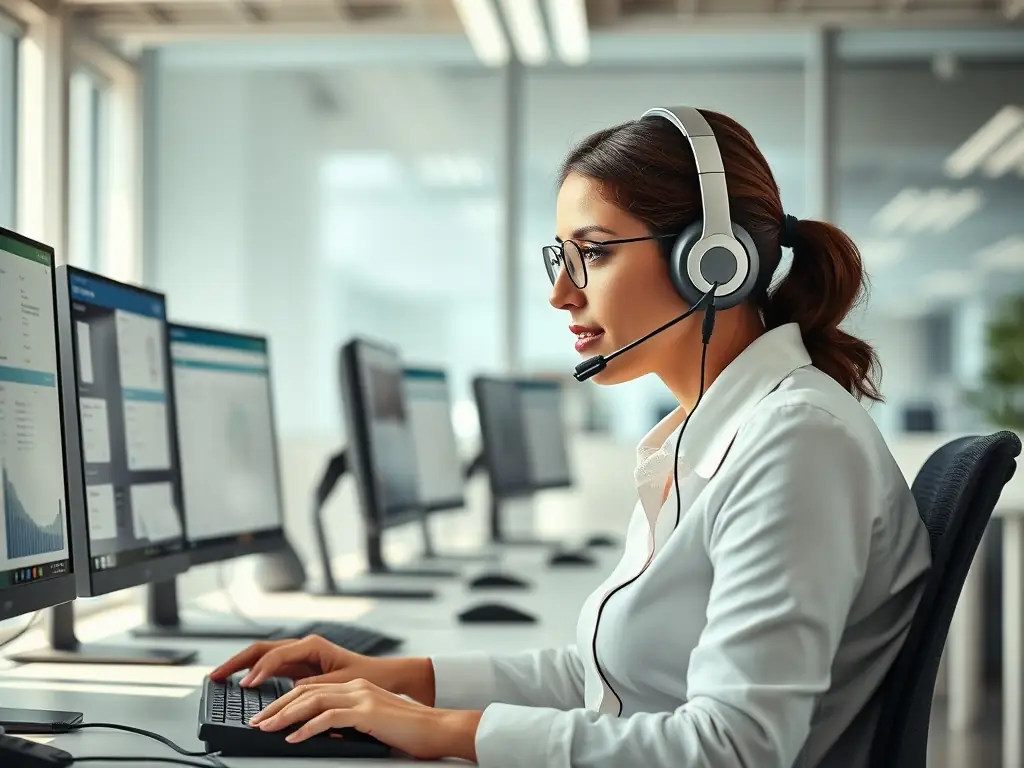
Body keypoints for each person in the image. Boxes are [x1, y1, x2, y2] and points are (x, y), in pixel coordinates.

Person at [211, 107, 932, 767]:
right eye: (562, 257)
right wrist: (399, 679)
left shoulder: (796, 443)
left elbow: (734, 749)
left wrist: (445, 731)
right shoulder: (709, 436)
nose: (561, 293)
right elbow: (609, 675)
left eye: (595, 252)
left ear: (713, 261)